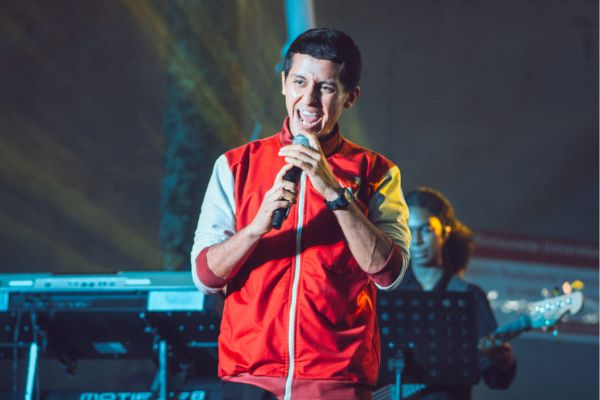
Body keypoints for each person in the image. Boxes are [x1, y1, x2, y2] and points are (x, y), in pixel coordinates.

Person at [190, 28, 411, 400]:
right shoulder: (235, 165)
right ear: (283, 83)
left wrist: (334, 192)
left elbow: (390, 274)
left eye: (325, 87)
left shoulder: (377, 172)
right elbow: (205, 277)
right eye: (299, 82)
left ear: (350, 97)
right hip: (249, 377)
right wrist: (256, 227)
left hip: (337, 380)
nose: (308, 99)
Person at [396, 187, 516, 399]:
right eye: (409, 230)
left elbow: (496, 379)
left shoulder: (468, 295)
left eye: (426, 230)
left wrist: (503, 362)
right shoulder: (391, 292)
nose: (417, 240)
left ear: (445, 232)